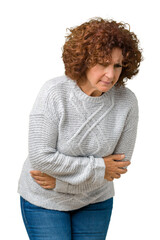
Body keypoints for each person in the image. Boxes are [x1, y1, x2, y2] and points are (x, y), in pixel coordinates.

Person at [18, 17, 142, 240]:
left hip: (95, 200)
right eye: (103, 63)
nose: (111, 74)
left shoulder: (127, 101)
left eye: (117, 65)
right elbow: (41, 158)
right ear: (84, 60)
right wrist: (99, 166)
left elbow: (118, 165)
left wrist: (62, 182)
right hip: (45, 198)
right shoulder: (54, 93)